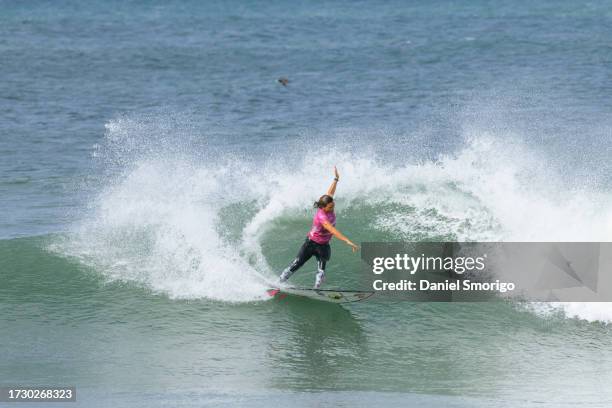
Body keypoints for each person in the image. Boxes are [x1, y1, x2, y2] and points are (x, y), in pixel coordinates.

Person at [279, 166, 359, 289]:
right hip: (310, 244)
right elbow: (332, 230)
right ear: (323, 207)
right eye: (330, 207)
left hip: (324, 245)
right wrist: (347, 241)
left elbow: (330, 193)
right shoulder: (322, 216)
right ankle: (279, 283)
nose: (333, 208)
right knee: (296, 264)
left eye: (333, 205)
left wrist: (336, 179)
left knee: (321, 271)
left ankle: (316, 289)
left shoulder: (328, 203)